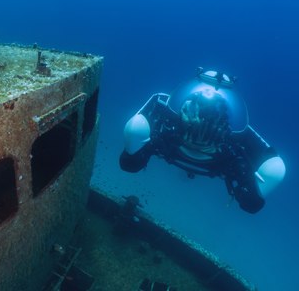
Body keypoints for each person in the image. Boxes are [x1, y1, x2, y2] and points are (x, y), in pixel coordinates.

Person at [120, 68, 286, 213]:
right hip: (203, 155)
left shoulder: (232, 152)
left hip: (190, 150)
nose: (204, 121)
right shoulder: (231, 151)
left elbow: (254, 201)